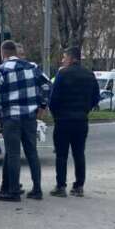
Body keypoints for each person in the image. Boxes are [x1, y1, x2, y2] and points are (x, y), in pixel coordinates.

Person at [0, 40, 50, 202]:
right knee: (32, 153)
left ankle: (13, 191)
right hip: (30, 118)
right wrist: (42, 105)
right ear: (15, 51)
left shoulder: (1, 71)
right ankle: (37, 189)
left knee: (13, 154)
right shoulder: (32, 67)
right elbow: (47, 85)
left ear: (3, 53)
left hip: (11, 119)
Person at [48, 46, 101, 197]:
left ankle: (60, 186)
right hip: (81, 120)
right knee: (79, 153)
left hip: (63, 120)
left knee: (61, 155)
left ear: (71, 58)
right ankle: (79, 186)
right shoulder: (89, 74)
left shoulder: (62, 74)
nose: (62, 60)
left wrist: (56, 114)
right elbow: (96, 97)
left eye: (64, 57)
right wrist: (85, 109)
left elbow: (53, 99)